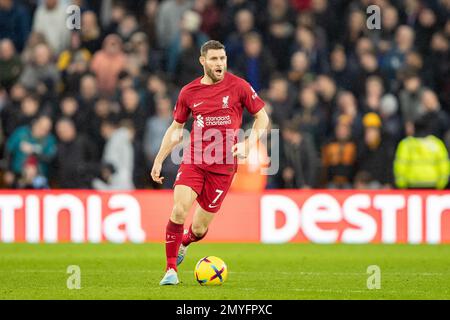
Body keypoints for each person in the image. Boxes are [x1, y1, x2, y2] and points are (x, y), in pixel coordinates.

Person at [151, 40, 269, 285]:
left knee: (199, 229)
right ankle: (170, 270)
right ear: (202, 61)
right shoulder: (189, 92)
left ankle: (185, 241)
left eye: (222, 59)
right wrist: (159, 159)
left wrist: (248, 142)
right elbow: (176, 128)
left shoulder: (239, 86)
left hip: (224, 167)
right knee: (179, 209)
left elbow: (262, 118)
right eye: (214, 59)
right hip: (194, 160)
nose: (219, 64)